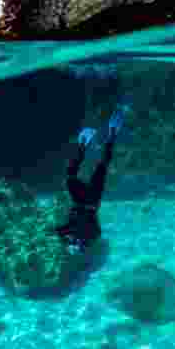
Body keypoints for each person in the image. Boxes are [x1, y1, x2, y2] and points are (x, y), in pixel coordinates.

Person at [56, 105, 129, 253]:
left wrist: (67, 241)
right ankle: (112, 133)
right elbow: (96, 233)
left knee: (71, 175)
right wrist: (82, 243)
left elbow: (57, 231)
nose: (74, 245)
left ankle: (84, 144)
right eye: (75, 247)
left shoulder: (68, 233)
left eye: (73, 246)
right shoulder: (89, 236)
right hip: (91, 202)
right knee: (101, 166)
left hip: (80, 200)